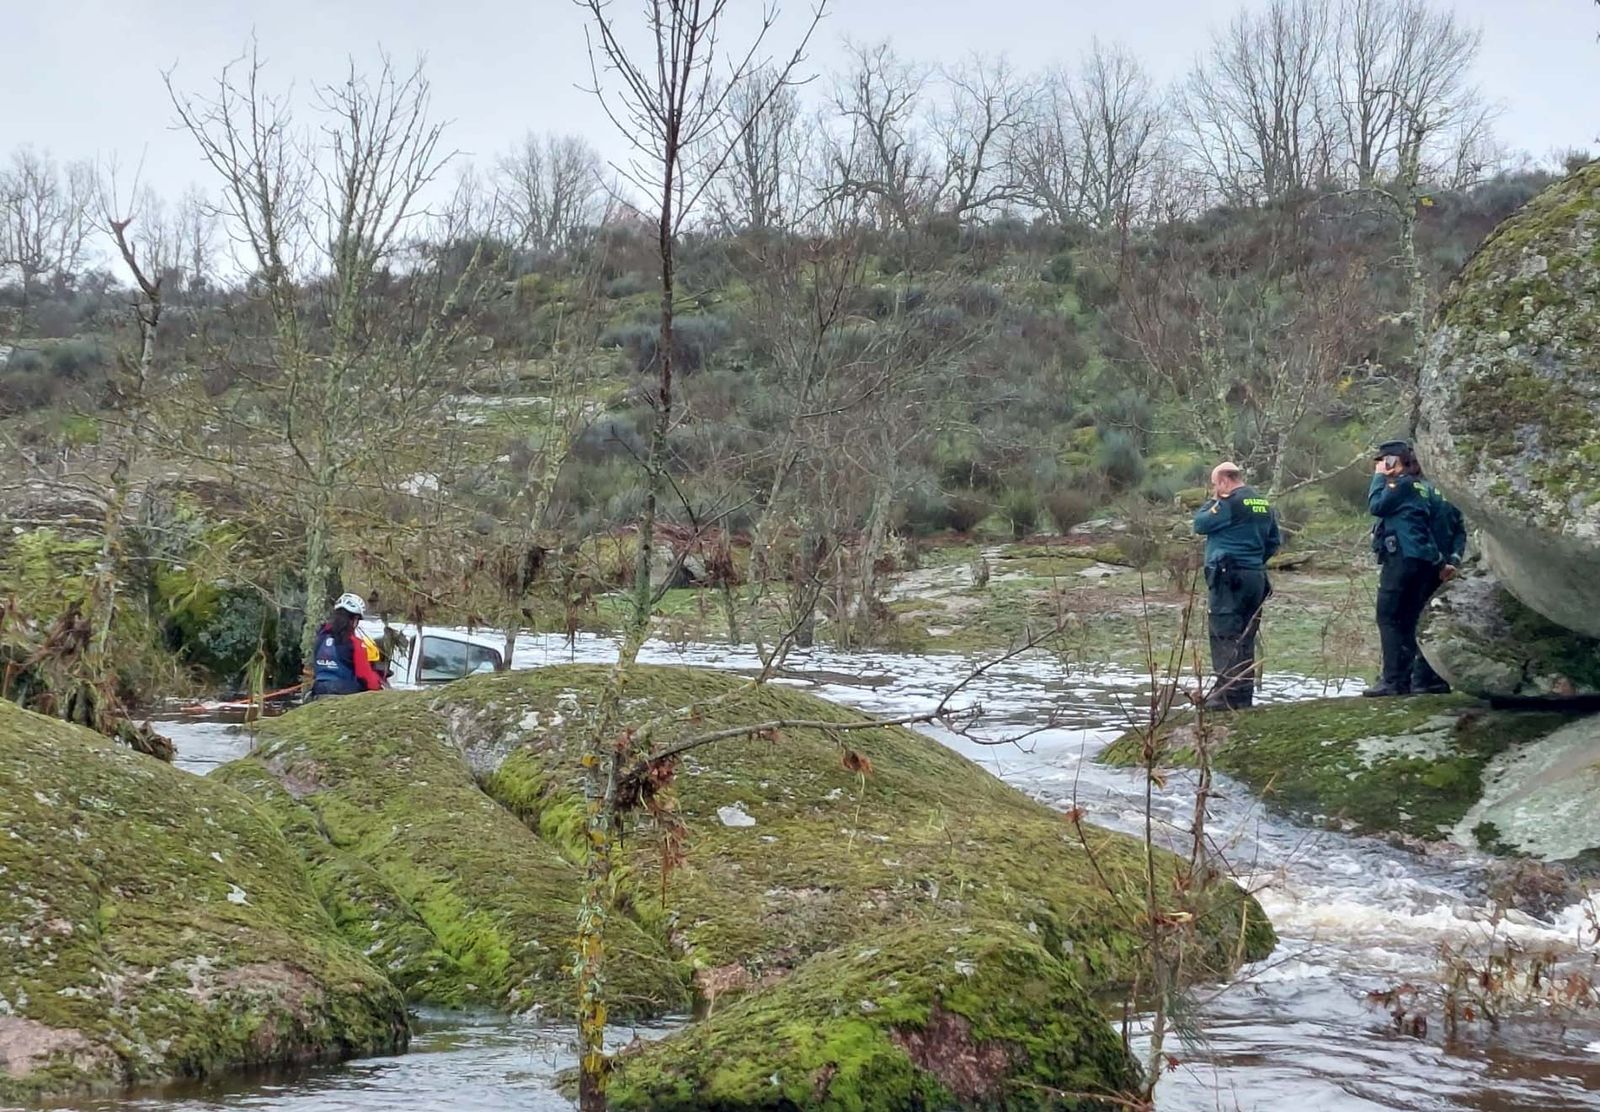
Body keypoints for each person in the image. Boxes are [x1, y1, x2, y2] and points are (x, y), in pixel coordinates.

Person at [1192, 462, 1281, 710]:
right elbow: (1274, 541)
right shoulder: (1264, 503)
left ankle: (1225, 695)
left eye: (1214, 484)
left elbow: (1200, 524)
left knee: (1225, 633)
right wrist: (1254, 561)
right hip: (1256, 577)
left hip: (1229, 579)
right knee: (1246, 636)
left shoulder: (1229, 503)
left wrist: (1214, 502)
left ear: (1223, 481)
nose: (1214, 488)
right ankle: (1243, 695)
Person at [1364, 441, 1443, 697]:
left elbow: (1377, 506)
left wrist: (1379, 478)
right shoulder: (1421, 486)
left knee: (1388, 617)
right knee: (1408, 619)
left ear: (1392, 460)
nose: (1381, 465)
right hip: (1422, 559)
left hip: (1402, 558)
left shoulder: (1402, 484)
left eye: (1384, 461)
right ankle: (1407, 678)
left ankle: (1393, 680)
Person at [1411, 470, 1468, 695]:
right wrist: (1448, 560)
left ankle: (1425, 678)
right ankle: (1430, 678)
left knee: (1423, 620)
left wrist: (1447, 561)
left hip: (1433, 565)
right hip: (1436, 565)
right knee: (1429, 619)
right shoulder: (1437, 491)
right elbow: (1457, 532)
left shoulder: (1428, 491)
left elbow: (1457, 530)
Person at [310, 593, 383, 697]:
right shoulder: (355, 643)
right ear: (354, 620)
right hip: (344, 691)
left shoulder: (320, 638)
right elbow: (366, 678)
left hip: (319, 689)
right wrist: (379, 684)